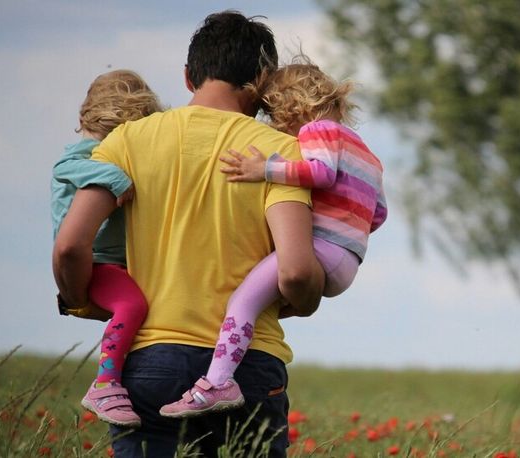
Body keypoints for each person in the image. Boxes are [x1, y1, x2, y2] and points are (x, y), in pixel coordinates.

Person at [53, 10, 324, 457]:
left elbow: (69, 246)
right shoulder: (280, 152)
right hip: (248, 365)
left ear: (187, 77)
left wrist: (83, 299)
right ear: (262, 80)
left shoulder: (125, 141)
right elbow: (295, 272)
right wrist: (307, 300)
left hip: (149, 363)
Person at [160, 59, 387, 418]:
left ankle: (218, 382)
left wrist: (262, 169)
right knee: (264, 300)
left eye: (275, 114)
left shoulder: (318, 130)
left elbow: (322, 174)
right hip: (348, 261)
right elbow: (378, 214)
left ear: (293, 107)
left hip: (321, 249)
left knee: (242, 302)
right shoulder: (369, 155)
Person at [50, 69, 161, 428]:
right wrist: (116, 178)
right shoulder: (85, 154)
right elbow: (66, 167)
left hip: (116, 261)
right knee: (132, 304)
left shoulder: (103, 149)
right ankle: (105, 383)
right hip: (97, 262)